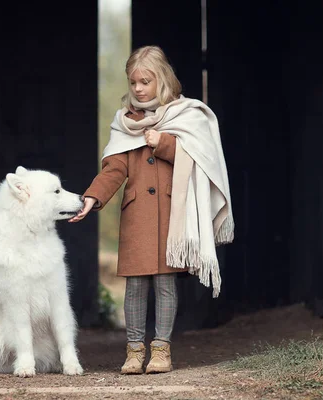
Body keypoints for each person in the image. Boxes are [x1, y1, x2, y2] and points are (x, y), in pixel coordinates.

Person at [69, 45, 234, 374]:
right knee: (135, 286)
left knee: (164, 284)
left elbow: (203, 157)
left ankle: (161, 351)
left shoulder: (185, 116)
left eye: (146, 81)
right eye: (134, 82)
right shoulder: (124, 123)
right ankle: (133, 351)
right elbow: (113, 169)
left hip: (172, 217)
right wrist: (92, 197)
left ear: (162, 80)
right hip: (138, 218)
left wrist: (166, 144)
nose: (139, 88)